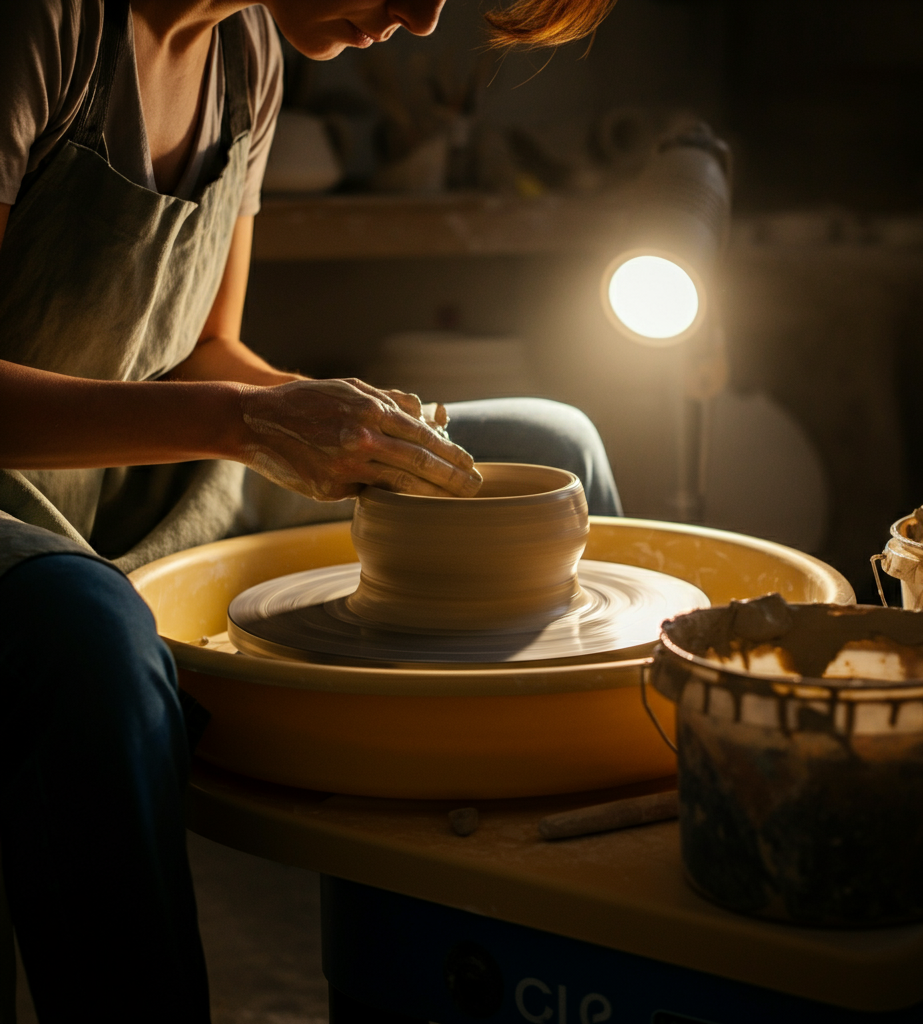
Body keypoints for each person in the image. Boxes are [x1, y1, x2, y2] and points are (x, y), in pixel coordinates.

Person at [0, 0, 621, 1020]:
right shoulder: (47, 27)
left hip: (136, 478)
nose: (421, 19)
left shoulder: (245, 53)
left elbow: (204, 349)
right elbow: (221, 401)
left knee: (552, 444)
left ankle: (569, 951)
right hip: (16, 514)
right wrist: (250, 420)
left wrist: (342, 420)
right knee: (85, 629)